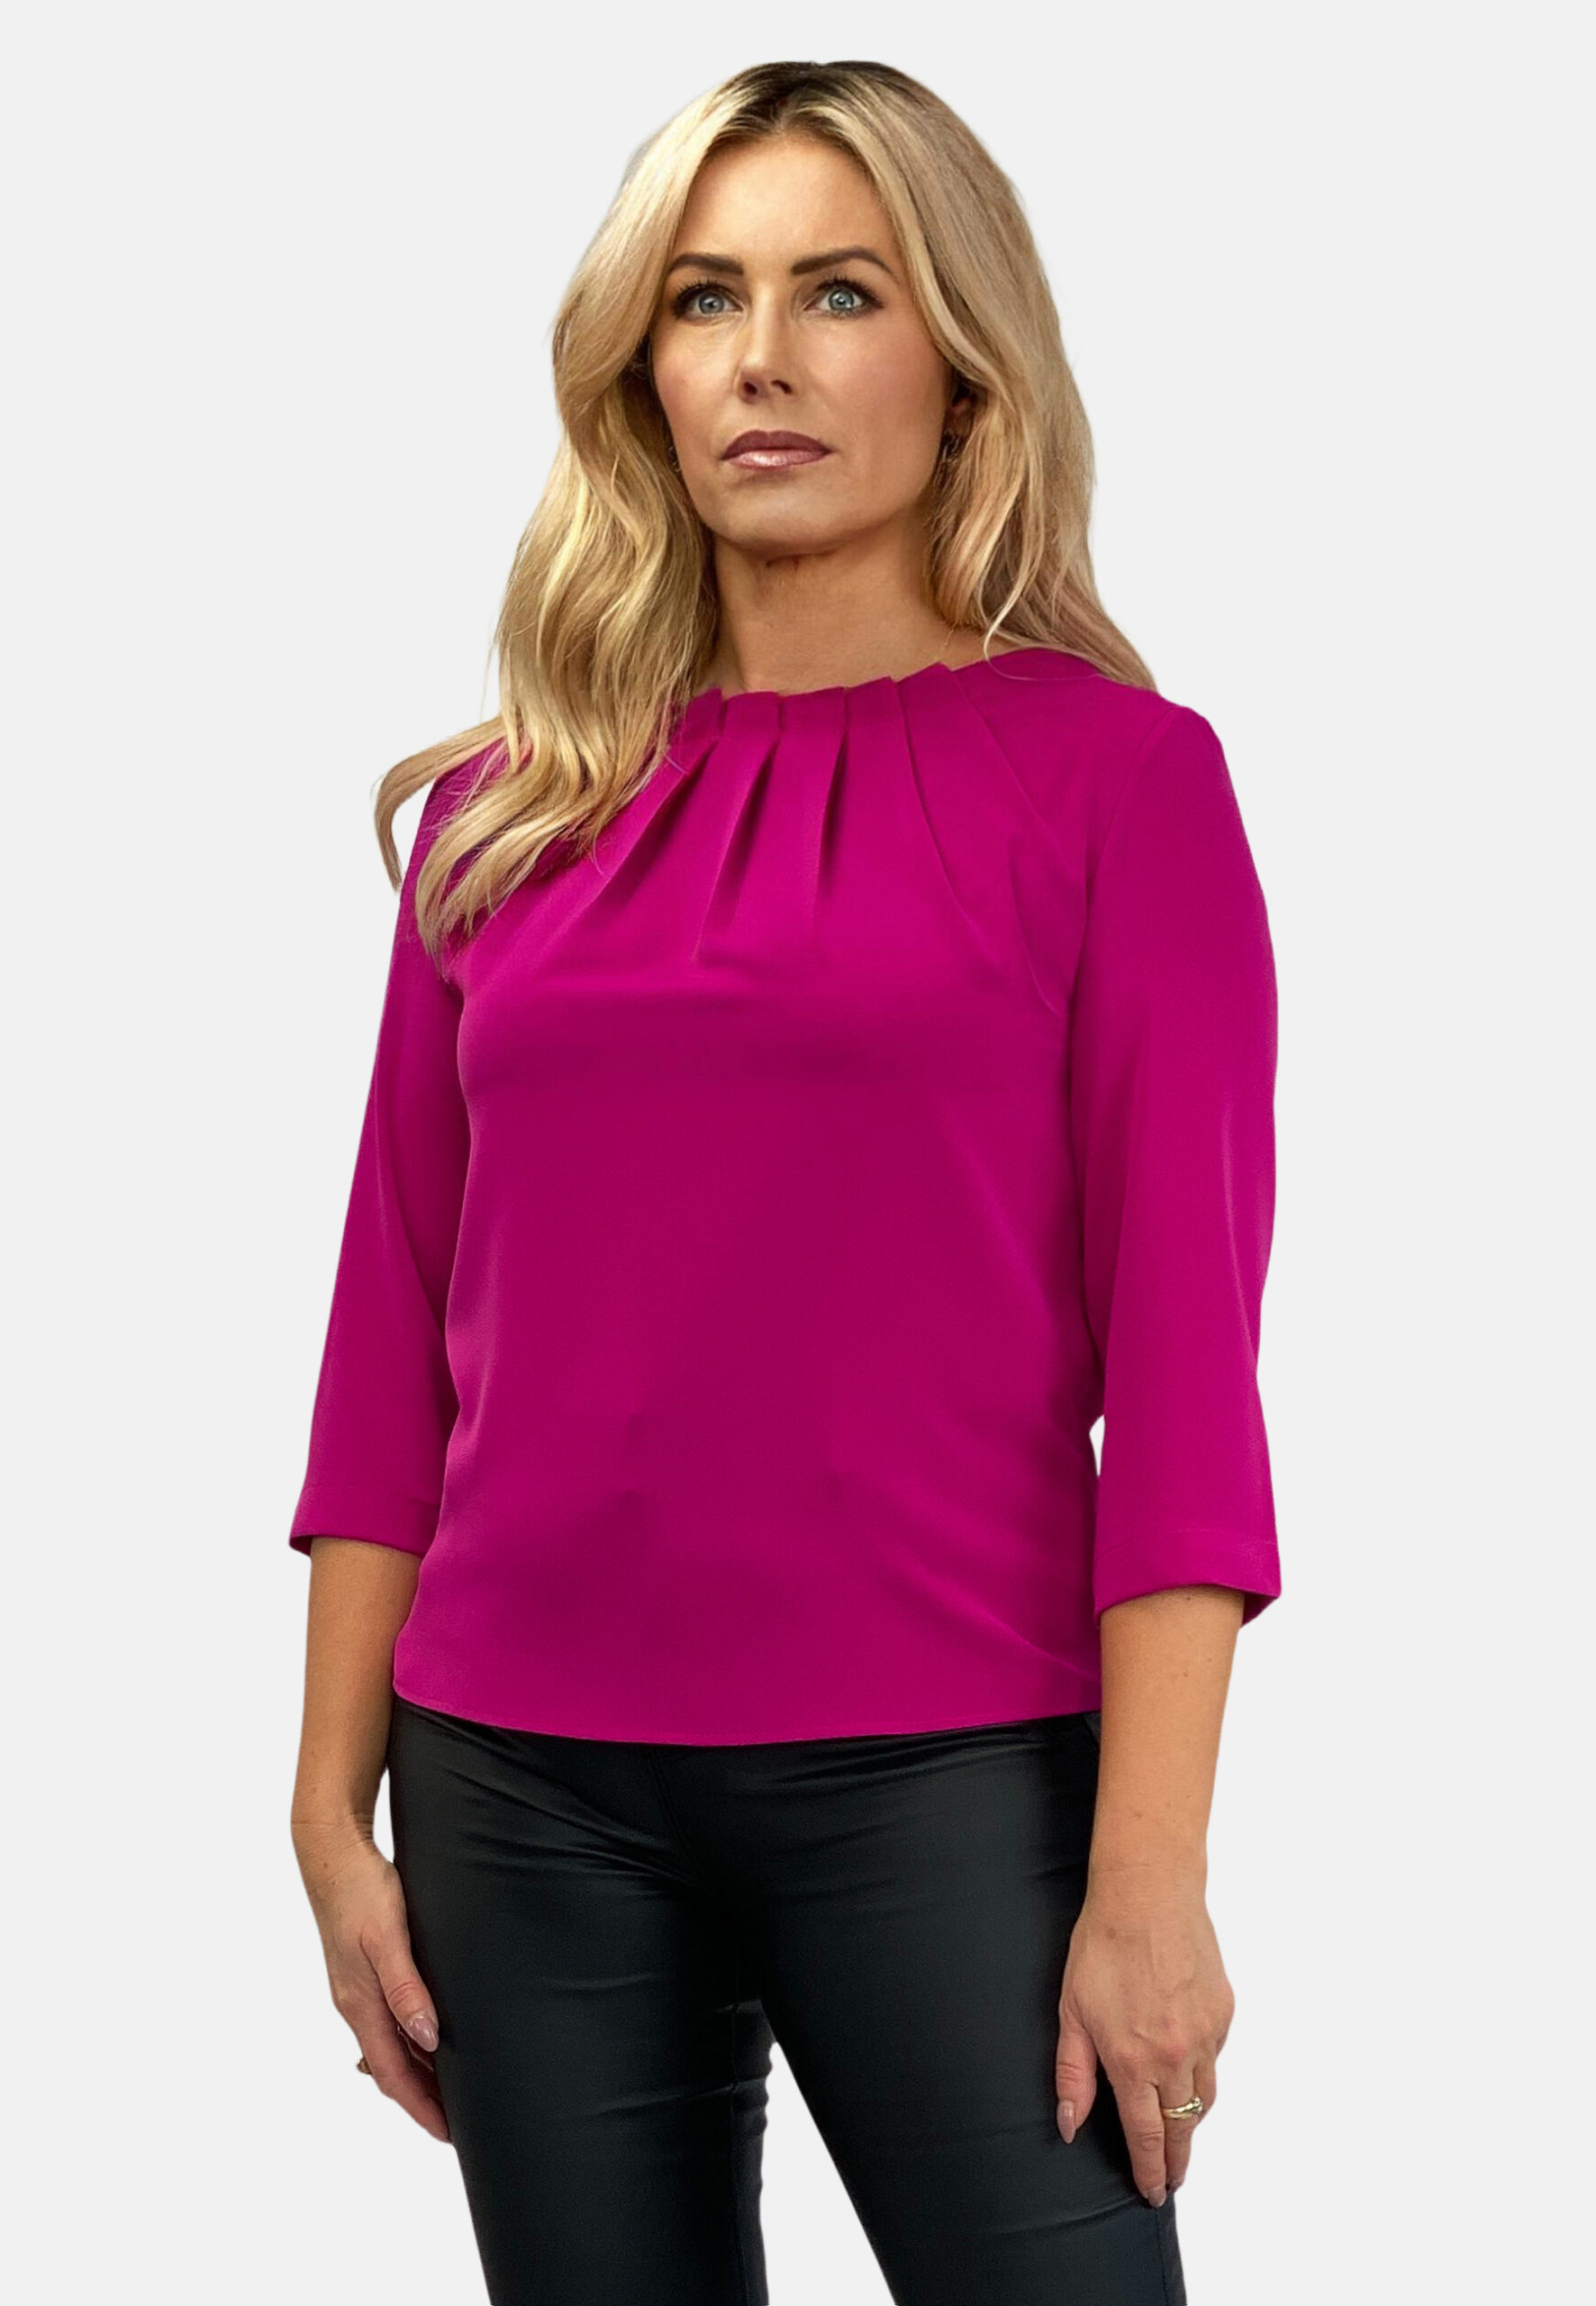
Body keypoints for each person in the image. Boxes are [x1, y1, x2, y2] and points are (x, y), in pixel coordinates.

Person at [286, 58, 1280, 2306]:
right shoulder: (501, 821)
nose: (760, 356)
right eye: (703, 296)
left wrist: (1149, 1876)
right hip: (517, 1788)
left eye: (839, 292)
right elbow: (389, 1329)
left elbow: (1185, 1387)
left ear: (962, 358)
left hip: (949, 1777)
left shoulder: (1117, 787)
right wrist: (326, 1802)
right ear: (639, 365)